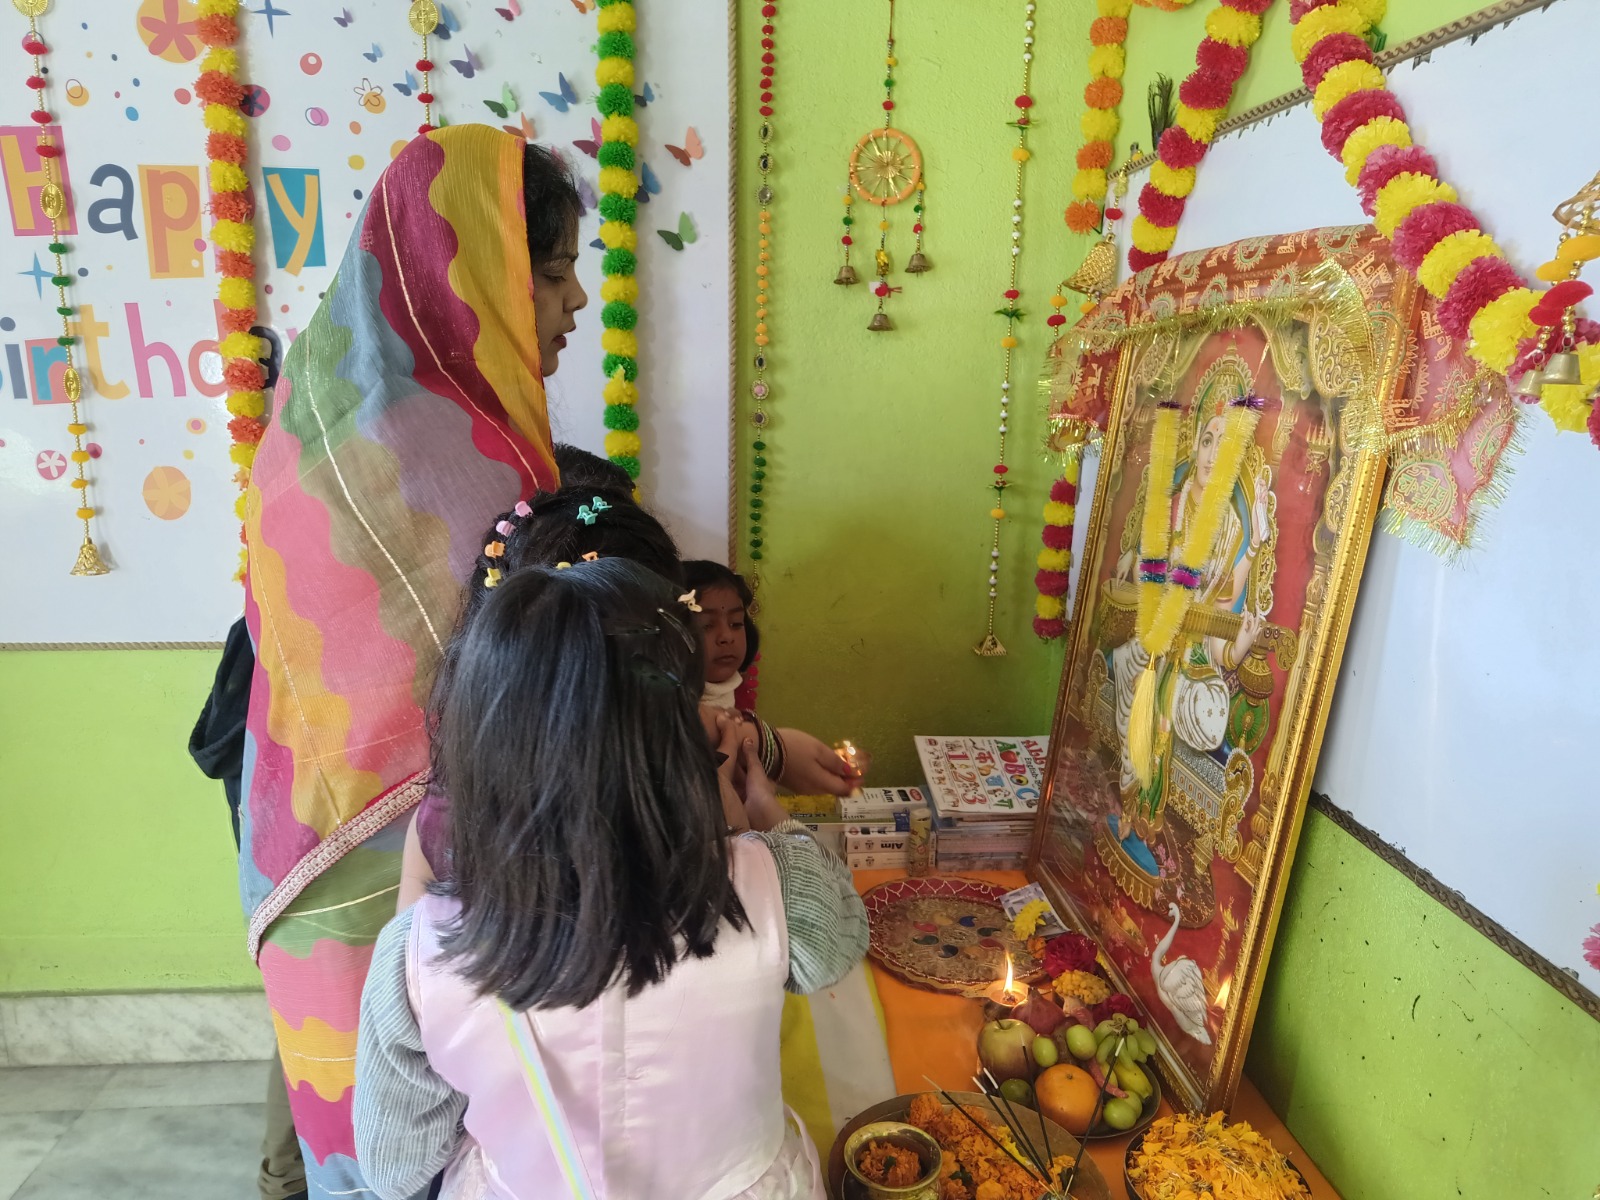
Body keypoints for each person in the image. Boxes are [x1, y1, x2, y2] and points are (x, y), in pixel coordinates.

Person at [239, 127, 587, 1199]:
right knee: (415, 1122)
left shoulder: (320, 415)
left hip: (312, 839)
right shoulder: (456, 460)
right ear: (477, 274)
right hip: (395, 870)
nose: (574, 303)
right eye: (555, 272)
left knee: (361, 1116)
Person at [355, 559, 865, 1198]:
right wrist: (763, 812)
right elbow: (841, 941)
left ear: (482, 738)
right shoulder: (773, 883)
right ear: (678, 737)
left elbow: (394, 1167)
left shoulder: (414, 957)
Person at [396, 498, 860, 908]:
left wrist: (771, 745)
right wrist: (753, 832)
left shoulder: (445, 820)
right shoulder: (674, 831)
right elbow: (824, 922)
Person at [189, 619, 307, 1200]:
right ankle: (288, 1173)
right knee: (314, 1021)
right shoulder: (302, 621)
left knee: (305, 1018)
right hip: (315, 859)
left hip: (279, 861)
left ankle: (286, 1174)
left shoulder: (259, 622)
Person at [681, 560, 758, 710]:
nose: (727, 637)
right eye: (706, 625)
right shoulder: (663, 714)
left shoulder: (742, 708)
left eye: (736, 623)